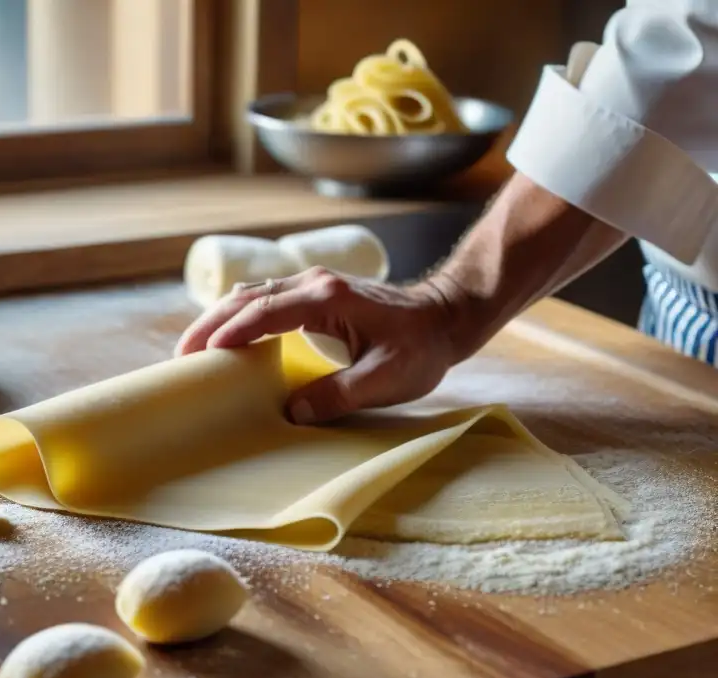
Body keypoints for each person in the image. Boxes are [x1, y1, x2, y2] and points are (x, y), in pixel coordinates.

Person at [176, 1, 718, 425]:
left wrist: (450, 305)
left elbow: (677, 51)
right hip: (686, 317)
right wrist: (449, 309)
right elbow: (661, 110)